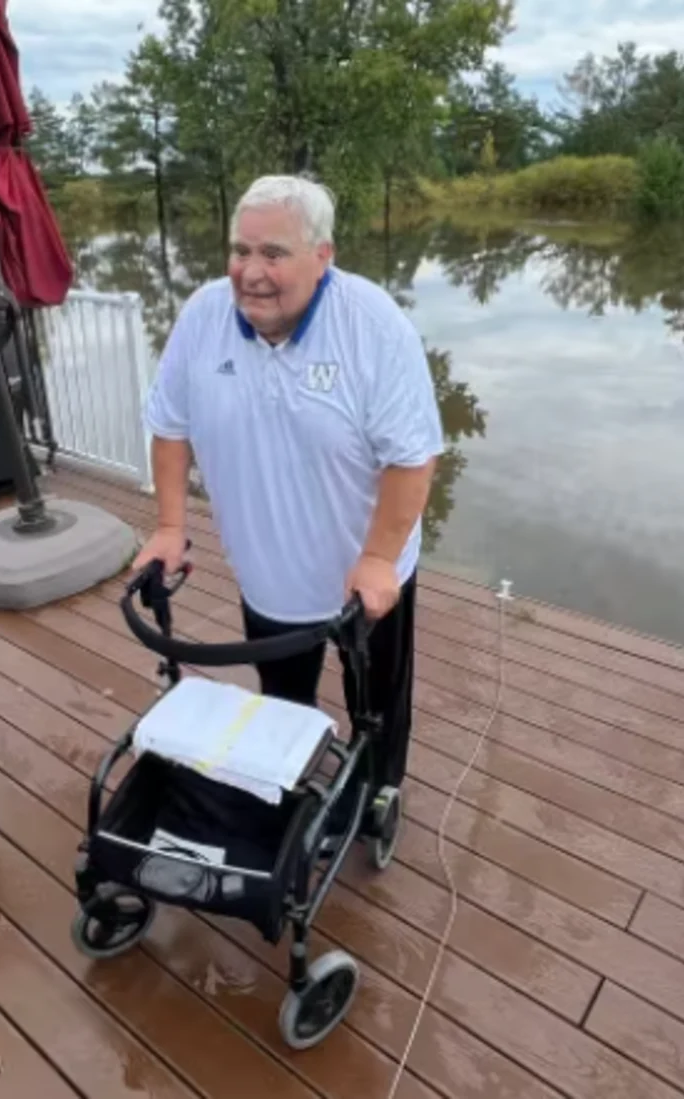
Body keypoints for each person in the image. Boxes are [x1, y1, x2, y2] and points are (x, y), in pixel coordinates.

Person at [135, 174, 442, 816]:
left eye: (273, 254)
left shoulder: (374, 327)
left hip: (368, 577)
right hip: (267, 579)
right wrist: (169, 525)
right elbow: (169, 425)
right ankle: (292, 795)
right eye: (241, 251)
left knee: (377, 704)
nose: (251, 272)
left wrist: (381, 558)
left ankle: (379, 791)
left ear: (322, 255)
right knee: (281, 705)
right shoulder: (202, 317)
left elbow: (413, 459)